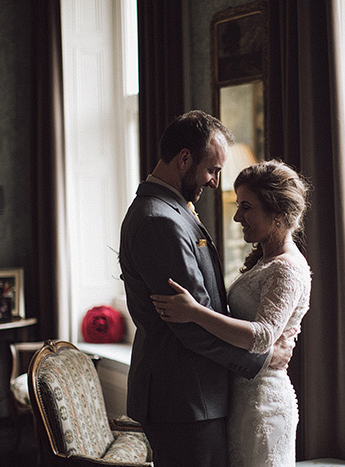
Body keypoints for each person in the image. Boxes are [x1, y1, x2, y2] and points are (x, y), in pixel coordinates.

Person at [119, 111, 295, 467]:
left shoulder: (171, 209)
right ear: (184, 158)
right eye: (212, 169)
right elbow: (190, 327)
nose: (215, 182)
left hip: (193, 395)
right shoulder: (159, 221)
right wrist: (262, 359)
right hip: (185, 397)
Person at [152, 159, 312, 466]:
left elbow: (263, 337)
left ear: (277, 213)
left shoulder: (287, 269)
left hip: (263, 405)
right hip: (240, 398)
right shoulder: (265, 260)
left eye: (247, 207)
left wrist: (195, 312)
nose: (238, 216)